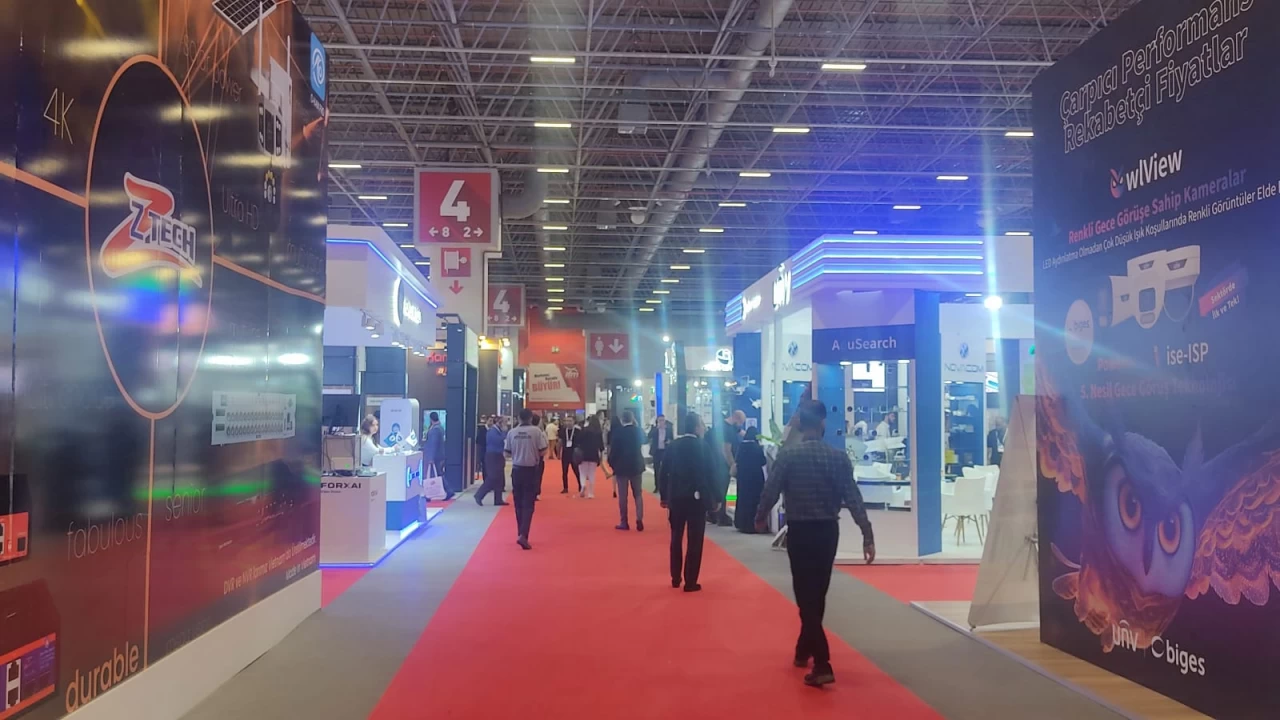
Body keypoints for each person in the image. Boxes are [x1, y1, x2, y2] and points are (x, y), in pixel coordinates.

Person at [756, 399, 875, 688]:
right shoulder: (838, 458)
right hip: (828, 532)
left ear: (800, 424)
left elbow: (770, 490)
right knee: (817, 593)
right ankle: (803, 648)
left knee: (804, 594)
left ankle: (822, 662)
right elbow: (853, 498)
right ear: (822, 423)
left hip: (800, 531)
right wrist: (867, 533)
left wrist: (759, 517)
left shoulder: (788, 456)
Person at [659, 412, 717, 592]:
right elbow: (712, 474)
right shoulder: (703, 447)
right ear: (696, 427)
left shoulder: (673, 446)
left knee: (676, 537)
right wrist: (715, 498)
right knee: (695, 540)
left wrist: (664, 496)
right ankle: (690, 581)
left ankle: (675, 576)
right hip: (696, 500)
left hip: (676, 498)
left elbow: (663, 471)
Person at [505, 409, 548, 550]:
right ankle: (523, 534)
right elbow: (543, 450)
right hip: (531, 470)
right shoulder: (536, 432)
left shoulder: (512, 432)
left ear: (518, 418)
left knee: (518, 503)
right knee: (529, 504)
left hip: (517, 470)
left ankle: (520, 532)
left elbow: (506, 453)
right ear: (530, 418)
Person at [608, 409, 647, 531]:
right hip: (636, 465)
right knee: (638, 494)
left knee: (623, 496)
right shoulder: (638, 431)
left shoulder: (618, 432)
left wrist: (612, 464)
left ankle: (624, 521)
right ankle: (639, 518)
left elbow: (613, 451)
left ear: (622, 420)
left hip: (622, 467)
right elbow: (645, 440)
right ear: (632, 418)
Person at [707, 410, 745, 526]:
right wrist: (732, 464)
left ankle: (712, 514)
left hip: (714, 462)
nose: (741, 425)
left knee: (716, 489)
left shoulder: (724, 426)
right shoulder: (728, 430)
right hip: (722, 464)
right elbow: (726, 450)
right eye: (741, 422)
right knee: (722, 489)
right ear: (736, 419)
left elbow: (741, 432)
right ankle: (721, 515)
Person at [733, 427, 768, 534]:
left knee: (743, 500)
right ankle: (752, 525)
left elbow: (737, 460)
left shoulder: (741, 446)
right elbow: (763, 461)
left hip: (743, 478)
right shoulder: (757, 447)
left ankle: (742, 524)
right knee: (754, 501)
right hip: (755, 478)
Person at [475, 416, 509, 506]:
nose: (506, 424)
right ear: (499, 422)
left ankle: (498, 499)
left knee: (499, 478)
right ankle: (479, 495)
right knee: (493, 477)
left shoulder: (497, 431)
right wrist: (505, 433)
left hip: (498, 455)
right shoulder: (492, 431)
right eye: (505, 422)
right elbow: (499, 441)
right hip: (493, 456)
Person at [576, 415, 604, 498]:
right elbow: (601, 446)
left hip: (583, 454)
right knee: (592, 473)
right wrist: (601, 456)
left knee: (582, 472)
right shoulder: (598, 432)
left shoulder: (584, 430)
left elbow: (578, 440)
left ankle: (583, 485)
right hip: (594, 454)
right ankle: (591, 493)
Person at [647, 414, 674, 487]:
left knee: (666, 468)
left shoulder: (669, 429)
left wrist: (669, 441)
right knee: (656, 469)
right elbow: (649, 436)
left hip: (665, 451)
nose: (662, 422)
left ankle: (665, 485)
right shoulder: (654, 428)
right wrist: (656, 428)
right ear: (657, 421)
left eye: (663, 420)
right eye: (660, 420)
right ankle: (657, 486)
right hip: (656, 451)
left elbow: (672, 439)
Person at [558, 415, 582, 495]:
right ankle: (565, 487)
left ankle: (580, 485)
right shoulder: (562, 431)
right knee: (564, 471)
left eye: (570, 421)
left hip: (574, 453)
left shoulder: (578, 431)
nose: (568, 422)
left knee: (576, 471)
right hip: (565, 453)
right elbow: (560, 442)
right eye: (566, 421)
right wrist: (558, 452)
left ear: (574, 421)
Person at [424, 411, 445, 479]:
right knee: (439, 475)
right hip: (439, 456)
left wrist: (431, 458)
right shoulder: (440, 427)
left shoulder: (435, 430)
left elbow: (433, 444)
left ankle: (445, 486)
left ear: (431, 419)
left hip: (435, 458)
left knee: (436, 476)